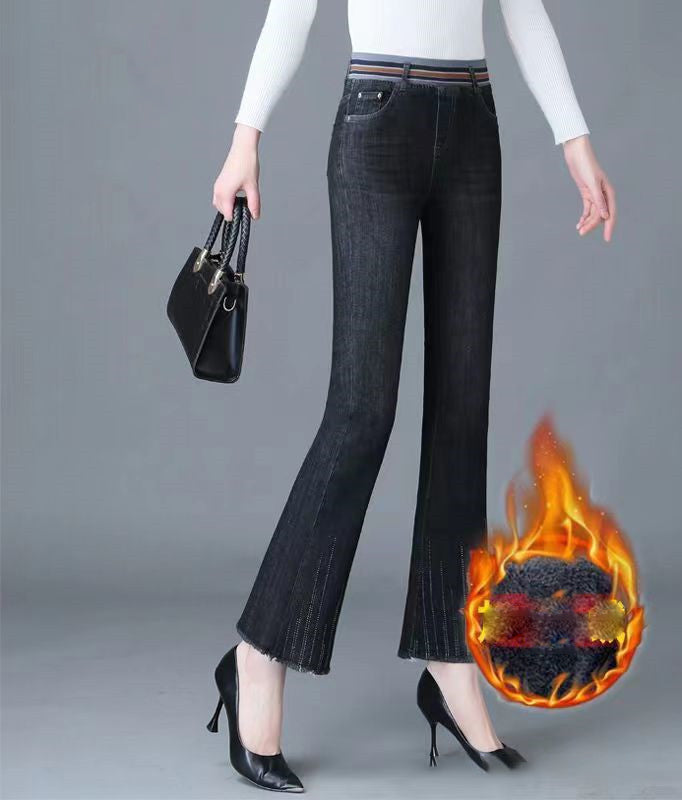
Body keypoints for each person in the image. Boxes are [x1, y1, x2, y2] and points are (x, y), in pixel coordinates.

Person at [207, 0, 617, 791]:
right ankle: (258, 653)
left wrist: (575, 141)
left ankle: (448, 655)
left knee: (463, 409)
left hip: (473, 124)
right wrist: (244, 139)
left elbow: (524, 10)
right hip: (377, 120)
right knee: (362, 410)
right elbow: (291, 12)